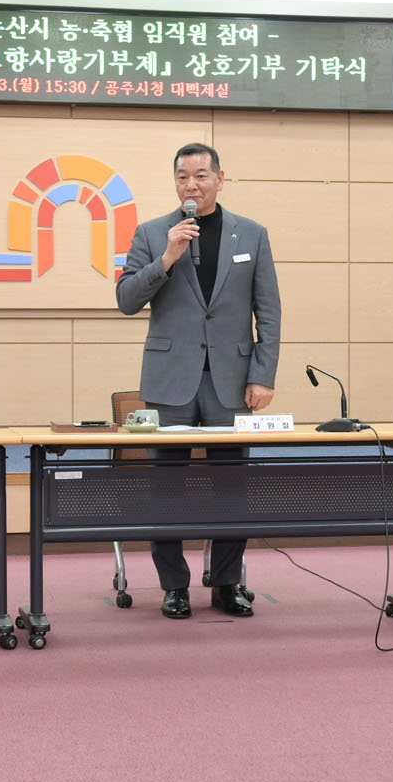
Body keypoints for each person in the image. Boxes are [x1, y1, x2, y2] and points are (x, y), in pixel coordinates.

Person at [115, 142, 281, 619]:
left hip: (232, 381)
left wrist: (263, 374)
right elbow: (126, 299)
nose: (192, 185)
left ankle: (227, 583)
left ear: (220, 179)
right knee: (165, 490)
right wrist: (167, 258)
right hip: (170, 381)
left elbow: (268, 311)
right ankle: (174, 586)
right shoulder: (152, 233)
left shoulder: (252, 234)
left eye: (201, 176)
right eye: (183, 177)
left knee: (233, 487)